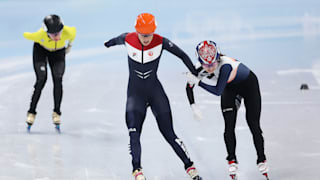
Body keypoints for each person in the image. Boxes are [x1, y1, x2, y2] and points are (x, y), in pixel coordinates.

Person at [104, 13, 202, 180]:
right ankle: (137, 171)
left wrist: (195, 74)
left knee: (170, 134)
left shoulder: (161, 42)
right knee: (134, 133)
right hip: (135, 95)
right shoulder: (128, 39)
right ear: (137, 32)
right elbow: (114, 41)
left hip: (155, 93)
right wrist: (108, 44)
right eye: (143, 35)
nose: (146, 38)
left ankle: (190, 166)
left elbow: (182, 55)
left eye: (149, 35)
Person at [185, 40, 269, 180]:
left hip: (249, 85)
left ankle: (261, 159)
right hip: (229, 89)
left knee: (253, 124)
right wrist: (193, 106)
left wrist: (198, 82)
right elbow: (188, 87)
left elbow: (218, 90)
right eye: (206, 64)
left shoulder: (225, 66)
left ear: (218, 58)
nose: (210, 68)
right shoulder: (198, 68)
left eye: (213, 64)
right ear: (200, 62)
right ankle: (232, 160)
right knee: (229, 126)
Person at [23, 14, 76, 132]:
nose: (57, 36)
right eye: (53, 34)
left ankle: (57, 112)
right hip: (41, 50)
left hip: (58, 53)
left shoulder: (68, 32)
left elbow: (74, 33)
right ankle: (31, 112)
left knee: (58, 78)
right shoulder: (38, 35)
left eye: (59, 33)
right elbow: (26, 35)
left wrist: (70, 46)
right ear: (46, 32)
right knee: (41, 79)